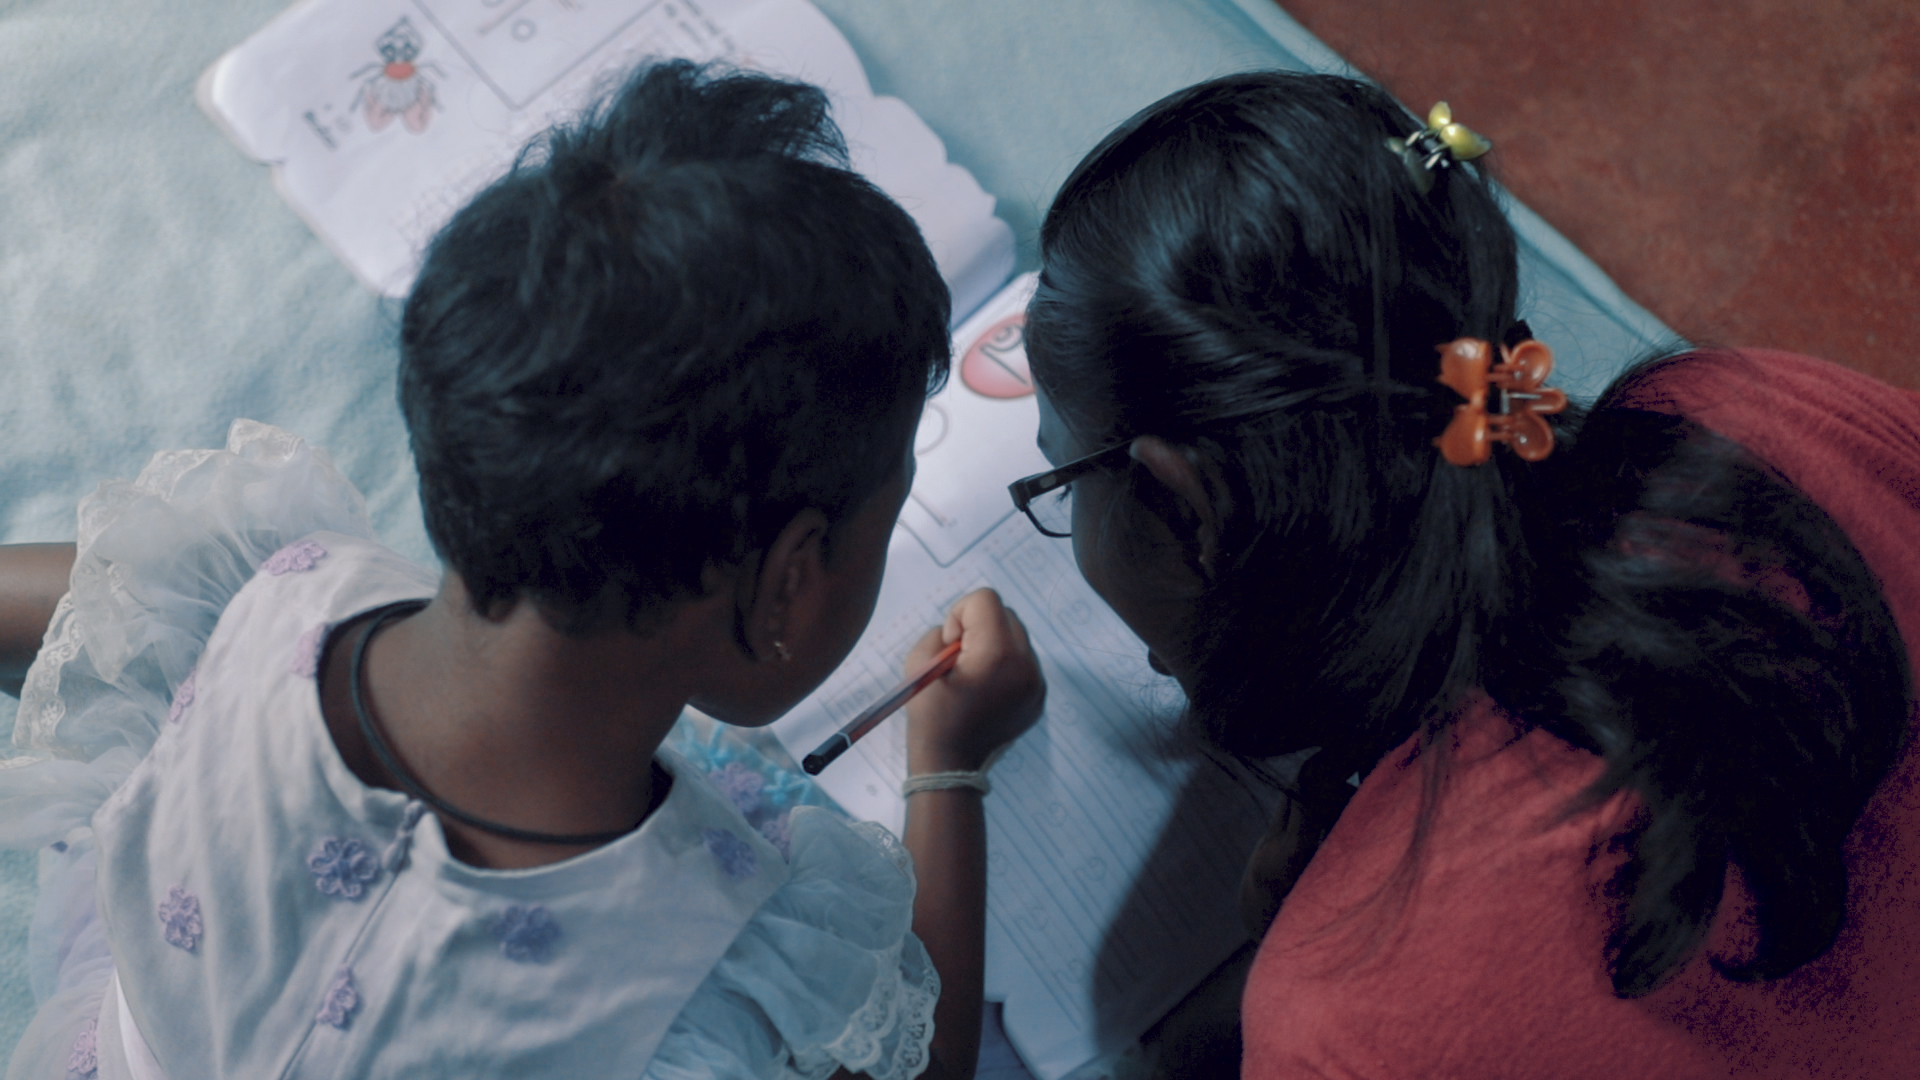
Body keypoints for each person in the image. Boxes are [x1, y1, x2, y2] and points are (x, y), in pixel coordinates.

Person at [0, 60, 1044, 1080]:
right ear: (787, 581)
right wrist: (948, 761)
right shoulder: (721, 962)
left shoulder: (273, 588)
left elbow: (111, 600)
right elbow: (929, 1055)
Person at [1016, 70, 1920, 1077]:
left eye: (1063, 478)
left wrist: (1338, 954)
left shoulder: (1347, 1025)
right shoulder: (1750, 417)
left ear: (1189, 510)